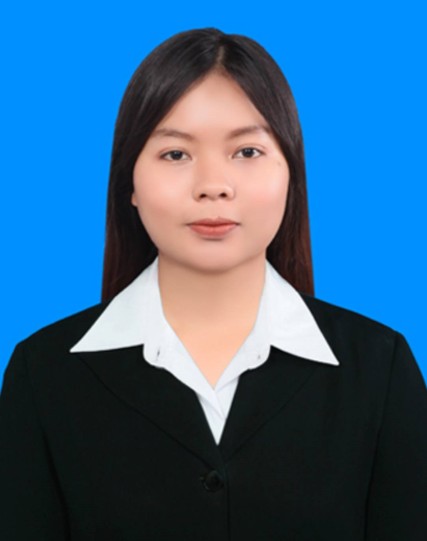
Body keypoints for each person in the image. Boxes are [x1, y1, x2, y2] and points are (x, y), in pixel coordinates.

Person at [0, 27, 426, 541]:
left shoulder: (379, 368)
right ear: (129, 182)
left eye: (246, 151)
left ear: (291, 174)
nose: (213, 186)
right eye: (175, 154)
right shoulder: (43, 374)